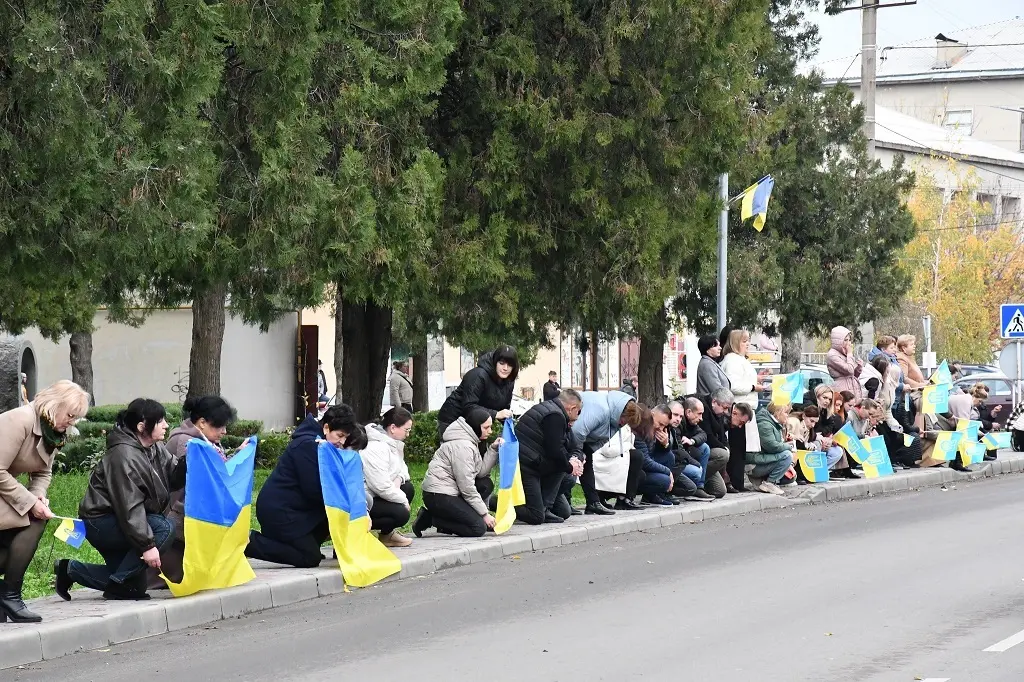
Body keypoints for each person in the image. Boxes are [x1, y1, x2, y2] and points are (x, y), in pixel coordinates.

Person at [56, 399, 182, 602]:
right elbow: (128, 506)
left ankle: (71, 570)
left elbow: (173, 477)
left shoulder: (154, 448)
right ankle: (120, 582)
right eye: (160, 421)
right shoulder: (123, 455)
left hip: (124, 522)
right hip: (102, 522)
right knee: (164, 528)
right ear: (142, 426)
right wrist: (147, 546)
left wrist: (188, 461)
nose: (166, 425)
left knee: (134, 588)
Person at [0, 380, 89, 621]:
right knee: (33, 518)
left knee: (34, 518)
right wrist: (29, 502)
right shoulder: (20, 420)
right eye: (69, 415)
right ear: (54, 404)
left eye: (75, 418)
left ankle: (8, 595)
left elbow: (43, 471)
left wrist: (37, 494)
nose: (71, 423)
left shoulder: (52, 429)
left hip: (5, 489)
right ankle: (9, 596)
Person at [245, 405, 368, 568]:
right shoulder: (308, 445)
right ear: (326, 427)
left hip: (299, 509)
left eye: (345, 437)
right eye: (340, 435)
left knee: (335, 518)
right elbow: (315, 490)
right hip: (280, 512)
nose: (342, 442)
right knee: (309, 557)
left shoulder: (322, 444)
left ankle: (307, 545)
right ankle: (248, 542)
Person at [156, 395, 236, 587]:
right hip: (178, 514)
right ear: (201, 423)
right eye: (219, 426)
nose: (224, 432)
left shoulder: (205, 440)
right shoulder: (187, 442)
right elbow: (202, 480)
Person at [414, 408, 500, 538]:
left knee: (485, 484)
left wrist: (493, 449)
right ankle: (430, 519)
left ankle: (459, 518)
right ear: (475, 426)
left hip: (450, 491)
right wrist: (484, 514)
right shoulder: (463, 446)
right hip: (438, 495)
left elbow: (480, 473)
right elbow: (466, 487)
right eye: (486, 427)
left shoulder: (469, 439)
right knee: (478, 528)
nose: (490, 431)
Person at [515, 389, 585, 524]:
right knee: (536, 516)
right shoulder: (555, 416)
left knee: (564, 512)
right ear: (572, 408)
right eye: (578, 412)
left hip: (537, 463)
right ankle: (499, 502)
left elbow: (574, 446)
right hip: (527, 465)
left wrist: (575, 459)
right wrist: (571, 467)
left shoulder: (556, 412)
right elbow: (555, 451)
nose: (578, 416)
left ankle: (544, 506)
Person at [571, 390, 643, 515]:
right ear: (621, 413)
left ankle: (593, 502)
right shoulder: (601, 410)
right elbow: (577, 431)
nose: (623, 424)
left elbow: (601, 440)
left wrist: (586, 453)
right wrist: (578, 453)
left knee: (587, 465)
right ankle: (569, 500)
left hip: (585, 440)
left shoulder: (614, 422)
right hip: (572, 435)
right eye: (624, 420)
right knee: (572, 466)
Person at [720, 329, 766, 490]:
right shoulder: (732, 360)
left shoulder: (738, 359)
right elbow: (733, 385)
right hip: (738, 409)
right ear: (735, 343)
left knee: (740, 448)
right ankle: (735, 481)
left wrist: (756, 379)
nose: (747, 344)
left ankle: (737, 481)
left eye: (748, 341)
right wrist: (754, 386)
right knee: (737, 448)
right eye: (744, 341)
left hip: (744, 408)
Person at [436, 346, 518, 437]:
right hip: (453, 419)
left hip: (478, 422)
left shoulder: (509, 381)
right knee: (462, 449)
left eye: (510, 365)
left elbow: (504, 408)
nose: (505, 368)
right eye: (501, 363)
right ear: (495, 362)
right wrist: (496, 414)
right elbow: (468, 406)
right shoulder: (478, 375)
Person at [362, 407, 415, 547]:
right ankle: (361, 533)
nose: (408, 434)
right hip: (366, 498)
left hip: (379, 492)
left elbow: (403, 469)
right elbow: (380, 486)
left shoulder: (391, 444)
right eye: (406, 430)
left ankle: (387, 535)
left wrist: (398, 480)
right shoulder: (375, 447)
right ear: (392, 427)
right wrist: (402, 500)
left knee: (407, 487)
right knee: (401, 513)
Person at [670, 399, 717, 500]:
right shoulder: (675, 426)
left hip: (681, 457)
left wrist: (692, 441)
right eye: (699, 414)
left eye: (680, 416)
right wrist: (696, 464)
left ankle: (700, 486)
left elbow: (703, 434)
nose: (701, 418)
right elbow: (679, 452)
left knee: (705, 447)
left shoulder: (691, 423)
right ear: (689, 412)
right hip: (674, 462)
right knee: (696, 472)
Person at [749, 402, 796, 495]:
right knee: (787, 455)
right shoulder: (765, 424)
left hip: (761, 460)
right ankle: (769, 483)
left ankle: (767, 481)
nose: (788, 416)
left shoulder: (773, 423)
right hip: (754, 464)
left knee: (791, 477)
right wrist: (789, 446)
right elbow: (772, 447)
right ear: (778, 412)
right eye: (786, 412)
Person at [699, 389, 734, 498]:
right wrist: (724, 448)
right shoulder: (704, 409)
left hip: (708, 450)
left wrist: (725, 447)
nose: (726, 412)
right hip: (700, 448)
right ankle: (696, 480)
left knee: (720, 491)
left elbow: (722, 435)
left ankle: (702, 482)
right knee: (722, 455)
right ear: (714, 402)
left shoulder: (718, 413)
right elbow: (708, 437)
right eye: (724, 408)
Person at [827, 326, 864, 400]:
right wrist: (850, 354)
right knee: (843, 411)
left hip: (852, 389)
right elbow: (849, 370)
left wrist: (859, 368)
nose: (848, 343)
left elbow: (853, 374)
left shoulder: (845, 353)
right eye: (845, 340)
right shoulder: (832, 355)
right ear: (838, 341)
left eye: (849, 340)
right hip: (842, 390)